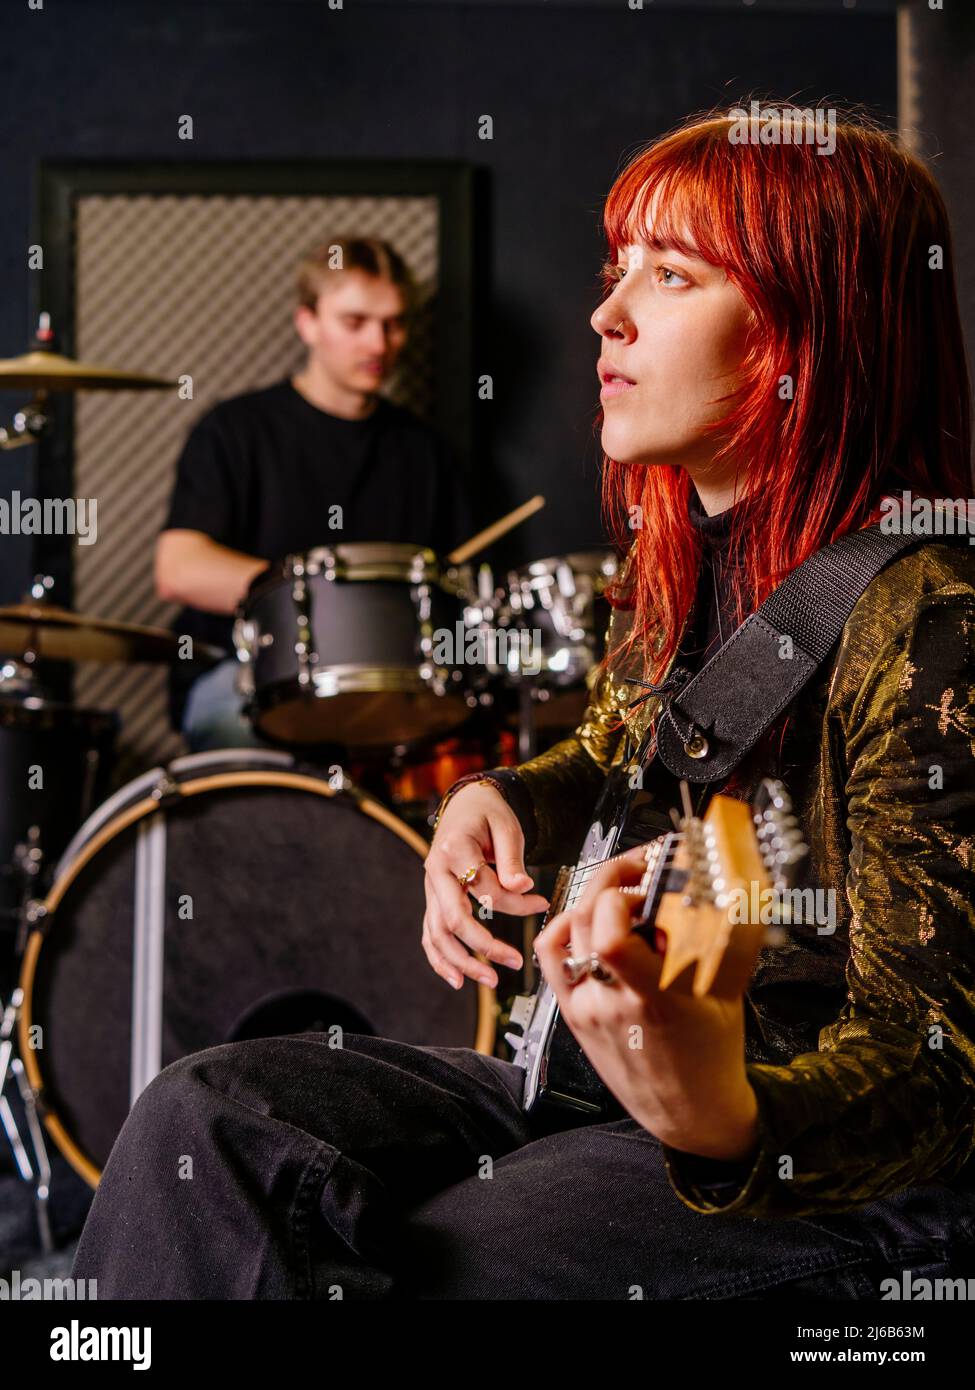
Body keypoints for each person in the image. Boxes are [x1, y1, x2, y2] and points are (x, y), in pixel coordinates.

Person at [73, 104, 975, 1299]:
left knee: (450, 1259)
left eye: (671, 272)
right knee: (204, 1116)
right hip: (592, 1084)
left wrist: (727, 1113)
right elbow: (621, 760)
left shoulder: (927, 612)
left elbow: (944, 1062)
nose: (607, 312)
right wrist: (497, 794)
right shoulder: (683, 570)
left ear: (810, 323)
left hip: (815, 1157)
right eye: (618, 270)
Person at [155, 236, 472, 751]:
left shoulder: (426, 452)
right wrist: (330, 601)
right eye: (355, 322)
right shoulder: (233, 430)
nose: (378, 344)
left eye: (393, 324)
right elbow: (180, 569)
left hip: (385, 681)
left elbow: (458, 586)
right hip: (248, 674)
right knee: (233, 724)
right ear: (308, 321)